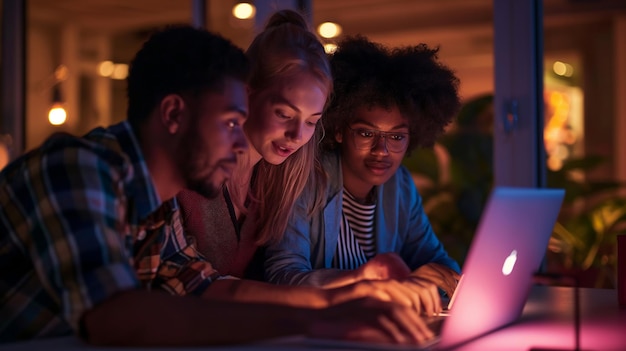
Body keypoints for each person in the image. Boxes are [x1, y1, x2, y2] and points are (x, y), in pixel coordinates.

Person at [0, 26, 433, 346]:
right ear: (173, 116)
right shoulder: (77, 168)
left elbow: (212, 288)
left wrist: (342, 301)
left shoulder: (157, 206)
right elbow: (117, 317)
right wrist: (313, 323)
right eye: (230, 121)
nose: (238, 139)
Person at [174, 10, 441, 317]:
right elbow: (190, 286)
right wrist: (357, 283)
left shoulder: (275, 179)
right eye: (284, 115)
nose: (296, 135)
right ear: (246, 94)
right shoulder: (186, 175)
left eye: (312, 122)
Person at [265, 35, 463, 307]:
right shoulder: (306, 180)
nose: (381, 150)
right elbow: (282, 275)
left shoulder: (400, 185)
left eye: (396, 137)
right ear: (338, 129)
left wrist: (440, 284)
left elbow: (435, 260)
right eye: (366, 133)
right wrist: (373, 284)